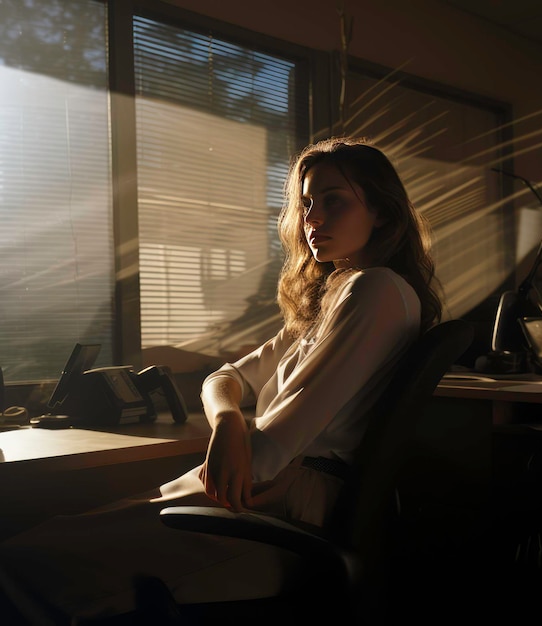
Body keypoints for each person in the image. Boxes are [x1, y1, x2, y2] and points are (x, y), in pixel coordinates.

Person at [0, 136, 442, 624]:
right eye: (307, 203)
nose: (311, 219)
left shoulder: (374, 289)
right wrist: (229, 420)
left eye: (332, 201)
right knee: (51, 538)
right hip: (261, 495)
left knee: (32, 557)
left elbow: (269, 454)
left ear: (381, 211)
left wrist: (238, 433)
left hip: (279, 510)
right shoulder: (337, 296)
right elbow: (225, 376)